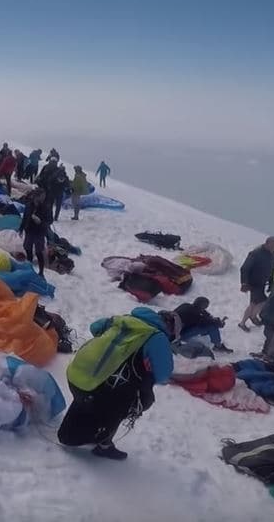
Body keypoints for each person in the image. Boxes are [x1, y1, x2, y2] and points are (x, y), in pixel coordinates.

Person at [58, 307, 175, 460]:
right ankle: (103, 444)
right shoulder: (157, 337)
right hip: (103, 388)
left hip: (79, 373)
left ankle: (70, 433)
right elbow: (163, 374)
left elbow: (94, 327)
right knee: (129, 401)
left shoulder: (123, 319)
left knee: (86, 400)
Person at [238, 237, 274, 331]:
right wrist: (244, 283)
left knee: (259, 302)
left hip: (262, 283)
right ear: (268, 243)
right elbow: (244, 268)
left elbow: (272, 268)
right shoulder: (256, 253)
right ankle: (244, 322)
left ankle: (252, 317)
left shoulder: (273, 254)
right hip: (253, 283)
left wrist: (271, 282)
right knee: (257, 303)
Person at [19, 188, 53, 276]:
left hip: (40, 231)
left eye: (44, 196)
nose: (43, 198)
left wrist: (40, 222)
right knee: (28, 249)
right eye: (42, 196)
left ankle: (41, 272)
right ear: (36, 196)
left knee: (39, 251)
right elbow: (25, 217)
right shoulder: (29, 205)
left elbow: (50, 220)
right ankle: (29, 268)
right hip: (29, 230)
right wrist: (21, 228)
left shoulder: (46, 207)